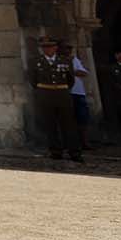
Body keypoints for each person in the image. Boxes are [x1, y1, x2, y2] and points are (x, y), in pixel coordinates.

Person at [30, 33, 81, 164]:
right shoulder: (36, 61)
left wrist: (62, 89)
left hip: (62, 94)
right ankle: (56, 151)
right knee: (50, 124)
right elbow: (33, 80)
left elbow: (70, 80)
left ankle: (74, 151)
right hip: (45, 94)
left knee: (68, 125)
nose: (47, 49)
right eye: (45, 47)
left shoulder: (65, 61)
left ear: (56, 48)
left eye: (50, 46)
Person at [68, 42, 93, 153]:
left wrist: (72, 71)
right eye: (65, 48)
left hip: (79, 92)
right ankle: (72, 143)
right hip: (66, 93)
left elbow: (83, 72)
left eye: (70, 48)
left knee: (82, 119)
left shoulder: (74, 60)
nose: (68, 50)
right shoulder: (58, 60)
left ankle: (84, 142)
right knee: (68, 119)